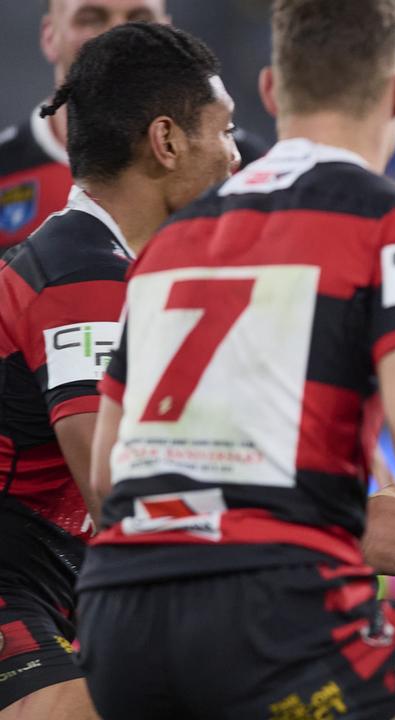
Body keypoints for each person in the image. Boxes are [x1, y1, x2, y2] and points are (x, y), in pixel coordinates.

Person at [78, 1, 395, 719]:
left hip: (117, 624)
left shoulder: (169, 242)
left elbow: (106, 473)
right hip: (274, 614)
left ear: (268, 92)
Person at [0, 21, 241, 720]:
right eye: (223, 133)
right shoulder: (83, 279)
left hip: (56, 586)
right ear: (166, 141)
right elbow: (123, 498)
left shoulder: (128, 275)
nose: (234, 156)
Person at [0, 0, 267, 251]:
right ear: (49, 36)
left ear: (167, 33)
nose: (118, 35)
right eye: (91, 19)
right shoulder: (6, 169)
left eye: (140, 19)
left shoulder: (249, 168)